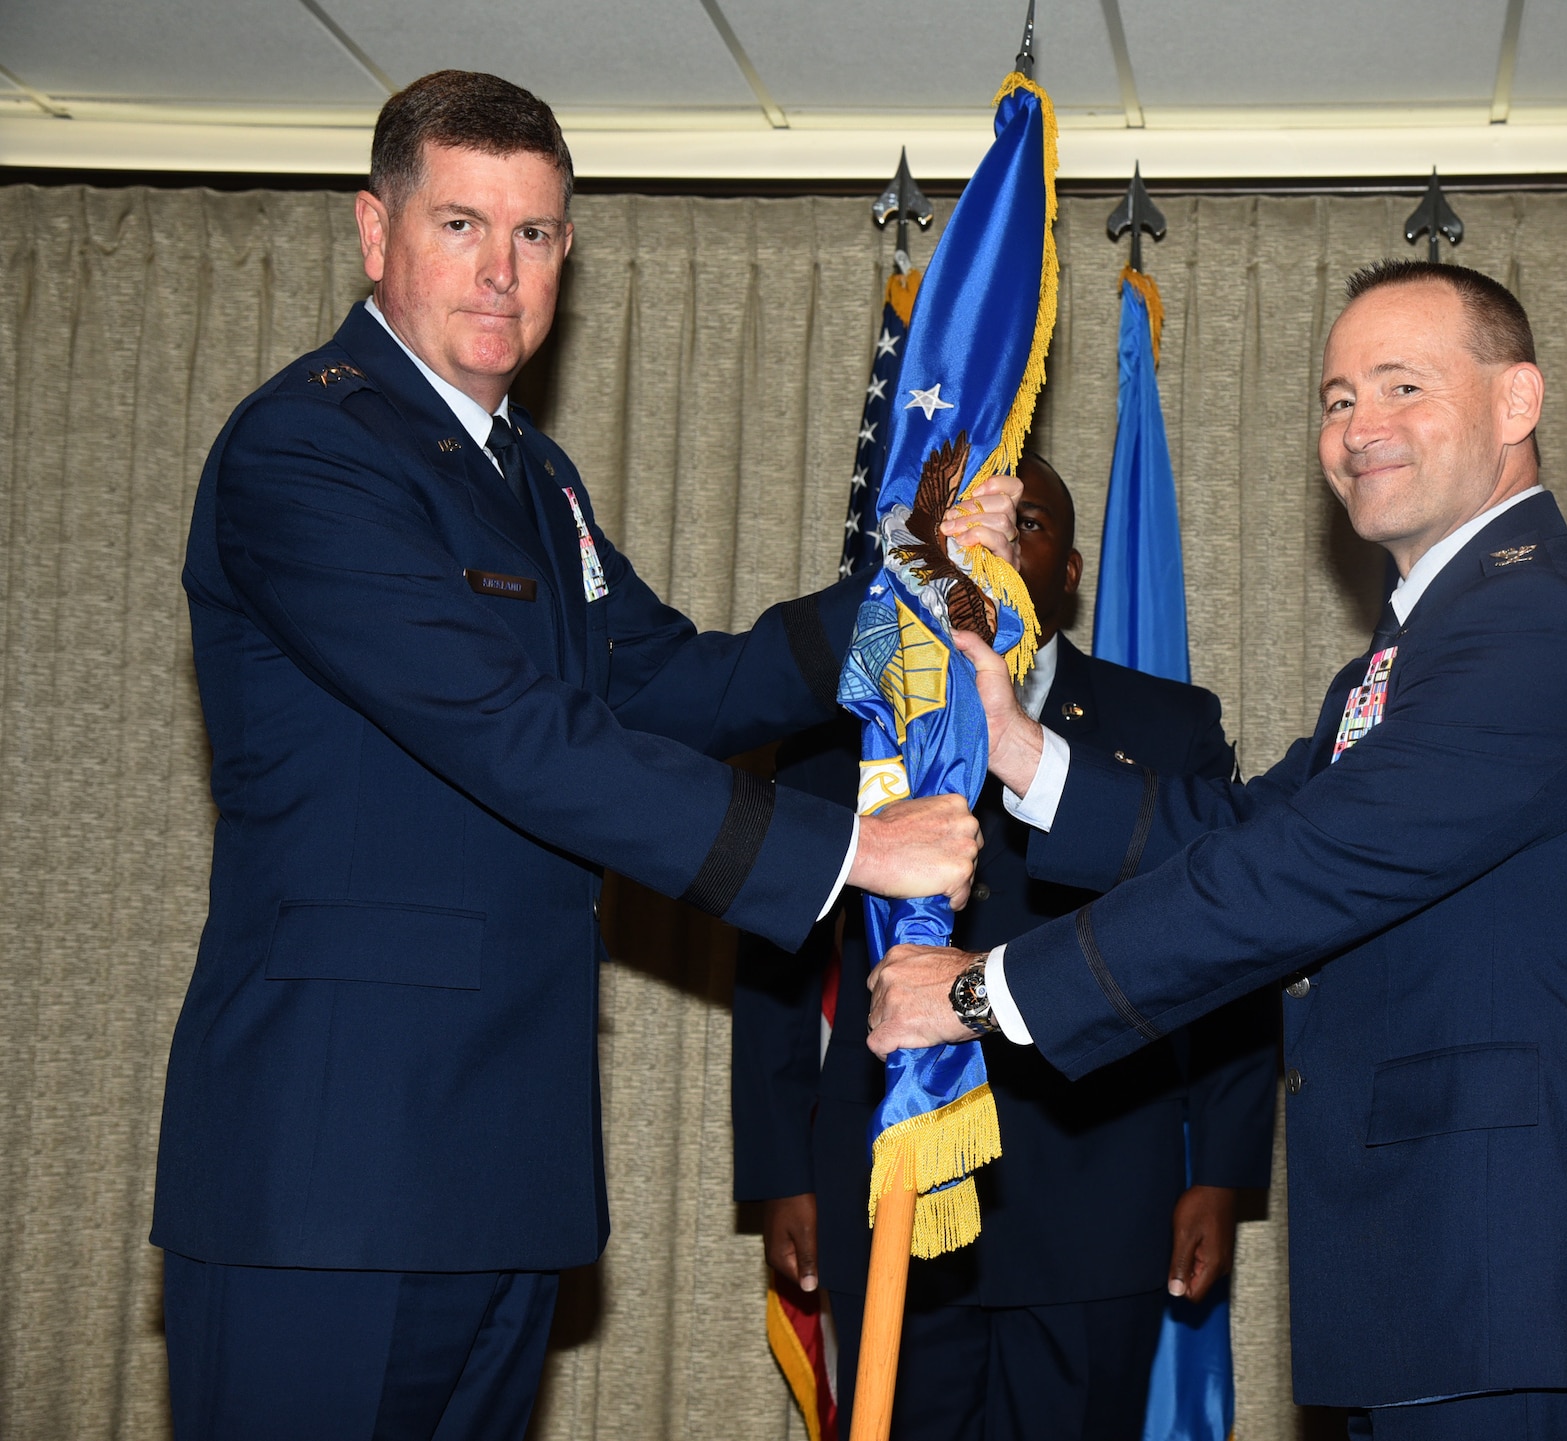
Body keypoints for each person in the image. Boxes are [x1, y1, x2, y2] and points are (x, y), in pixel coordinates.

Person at [156, 70, 1016, 1441]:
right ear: (374, 233)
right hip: (330, 1169)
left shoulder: (533, 477)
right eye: (460, 227)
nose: (502, 273)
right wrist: (849, 849)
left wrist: (902, 582)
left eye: (536, 235)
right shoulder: (306, 448)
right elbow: (510, 731)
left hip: (503, 1161)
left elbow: (667, 680)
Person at [867, 261, 1567, 1440]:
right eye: (1335, 399)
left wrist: (982, 992)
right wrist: (1024, 754)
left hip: (1517, 1286)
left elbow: (1298, 875)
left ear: (1515, 402)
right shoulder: (1436, 630)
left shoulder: (1536, 628)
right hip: (1438, 1281)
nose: (1357, 427)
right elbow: (1254, 826)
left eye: (1401, 386)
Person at [733, 454, 1277, 1441]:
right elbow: (776, 955)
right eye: (965, 517)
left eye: (1024, 522)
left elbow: (1229, 950)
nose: (991, 541)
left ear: (1066, 569)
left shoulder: (1165, 723)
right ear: (925, 547)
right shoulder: (841, 721)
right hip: (889, 1175)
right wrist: (779, 1168)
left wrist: (1221, 1167)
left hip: (1096, 1178)